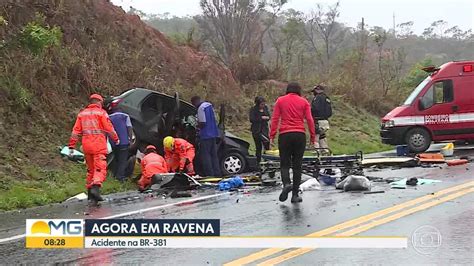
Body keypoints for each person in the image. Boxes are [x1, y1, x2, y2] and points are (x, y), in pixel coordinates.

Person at [270, 82, 316, 203]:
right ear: (299, 90)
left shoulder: (280, 101)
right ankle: (295, 195)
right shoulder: (304, 102)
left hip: (285, 134)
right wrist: (312, 136)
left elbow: (275, 119)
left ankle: (286, 184)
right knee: (297, 165)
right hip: (299, 134)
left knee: (284, 163)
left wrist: (272, 135)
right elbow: (310, 119)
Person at [69, 93, 119, 203]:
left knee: (90, 170)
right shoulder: (101, 113)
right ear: (99, 102)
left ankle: (90, 193)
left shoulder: (82, 114)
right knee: (100, 168)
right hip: (98, 145)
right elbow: (109, 128)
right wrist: (116, 139)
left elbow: (75, 131)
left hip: (86, 145)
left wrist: (72, 146)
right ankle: (95, 188)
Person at [191, 96, 221, 177]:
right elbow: (215, 119)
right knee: (214, 155)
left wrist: (197, 126)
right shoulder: (209, 106)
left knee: (206, 156)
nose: (194, 106)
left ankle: (209, 174)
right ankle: (217, 173)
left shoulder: (201, 108)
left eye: (193, 104)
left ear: (195, 102)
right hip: (213, 134)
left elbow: (203, 122)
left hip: (205, 135)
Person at [109, 107, 133, 182]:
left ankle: (114, 174)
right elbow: (129, 128)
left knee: (115, 158)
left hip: (113, 142)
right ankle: (120, 177)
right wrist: (130, 139)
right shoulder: (125, 116)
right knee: (122, 160)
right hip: (124, 142)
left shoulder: (109, 117)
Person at [249, 96, 270, 164]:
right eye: (261, 104)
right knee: (258, 147)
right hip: (256, 130)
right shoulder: (253, 109)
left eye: (264, 104)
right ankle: (258, 161)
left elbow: (268, 116)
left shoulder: (265, 108)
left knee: (267, 144)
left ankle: (267, 160)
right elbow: (252, 119)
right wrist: (261, 118)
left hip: (264, 129)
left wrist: (266, 118)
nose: (263, 106)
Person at [311, 84, 332, 152]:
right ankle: (325, 151)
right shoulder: (327, 98)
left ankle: (317, 152)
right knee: (322, 136)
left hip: (318, 121)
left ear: (317, 90)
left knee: (315, 137)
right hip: (326, 121)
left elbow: (314, 108)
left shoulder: (317, 98)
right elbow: (330, 111)